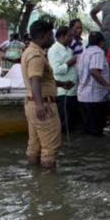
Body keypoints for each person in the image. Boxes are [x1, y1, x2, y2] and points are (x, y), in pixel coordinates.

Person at [21, 20, 65, 170]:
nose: (52, 38)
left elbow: (40, 80)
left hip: (31, 104)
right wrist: (40, 105)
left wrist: (60, 84)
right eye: (50, 34)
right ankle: (49, 188)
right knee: (50, 148)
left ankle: (35, 180)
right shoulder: (36, 56)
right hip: (43, 105)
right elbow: (35, 80)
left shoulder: (28, 51)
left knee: (34, 146)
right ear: (43, 35)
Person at [77, 31, 110, 136]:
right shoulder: (98, 53)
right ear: (101, 42)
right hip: (94, 97)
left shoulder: (84, 52)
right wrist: (108, 86)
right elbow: (94, 71)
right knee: (96, 130)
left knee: (87, 129)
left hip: (83, 96)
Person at [48, 26, 79, 133]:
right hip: (64, 92)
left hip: (72, 90)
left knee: (71, 122)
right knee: (64, 123)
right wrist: (71, 61)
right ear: (62, 36)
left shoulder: (69, 50)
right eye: (70, 36)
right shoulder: (54, 50)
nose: (72, 39)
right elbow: (56, 70)